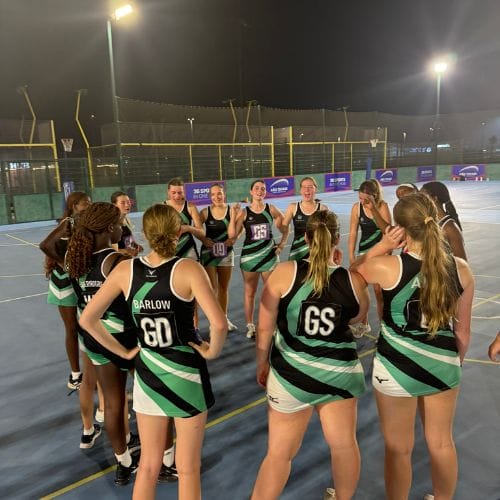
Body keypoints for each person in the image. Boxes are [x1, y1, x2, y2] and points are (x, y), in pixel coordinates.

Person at [79, 203, 228, 500]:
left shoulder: (125, 269)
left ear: (144, 234)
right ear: (178, 232)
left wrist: (123, 352)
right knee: (188, 469)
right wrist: (211, 352)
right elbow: (220, 324)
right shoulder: (189, 269)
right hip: (186, 373)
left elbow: (87, 320)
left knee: (148, 466)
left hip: (148, 374)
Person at [350, 192, 474, 500]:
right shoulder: (460, 269)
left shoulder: (387, 267)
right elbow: (463, 333)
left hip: (396, 367)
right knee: (442, 443)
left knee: (398, 449)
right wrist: (452, 364)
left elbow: (351, 275)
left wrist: (382, 245)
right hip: (443, 364)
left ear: (401, 228)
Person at [251, 210, 369, 500]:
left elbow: (264, 328)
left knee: (279, 455)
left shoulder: (283, 273)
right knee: (344, 446)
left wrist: (262, 363)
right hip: (339, 375)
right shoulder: (353, 281)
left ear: (305, 238)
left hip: (291, 376)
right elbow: (357, 320)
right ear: (337, 239)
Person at [65, 202, 141, 485]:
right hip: (123, 336)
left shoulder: (76, 259)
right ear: (110, 228)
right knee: (148, 396)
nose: (123, 228)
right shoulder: (117, 261)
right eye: (120, 224)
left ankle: (123, 462)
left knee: (112, 403)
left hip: (94, 338)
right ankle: (165, 455)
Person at [43, 191, 91, 390]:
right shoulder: (67, 224)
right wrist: (64, 264)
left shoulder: (83, 224)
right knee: (72, 328)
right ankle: (75, 375)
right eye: (85, 203)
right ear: (74, 205)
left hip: (79, 281)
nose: (89, 206)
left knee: (87, 327)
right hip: (64, 283)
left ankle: (91, 373)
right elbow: (45, 245)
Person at [228, 179, 288, 339]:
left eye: (263, 188)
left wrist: (282, 244)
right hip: (250, 258)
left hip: (269, 257)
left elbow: (285, 227)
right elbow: (232, 236)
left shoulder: (271, 209)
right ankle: (250, 326)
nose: (260, 191)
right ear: (251, 192)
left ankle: (272, 324)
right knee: (250, 293)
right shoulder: (244, 213)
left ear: (265, 192)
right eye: (257, 188)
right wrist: (233, 215)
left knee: (272, 293)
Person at [348, 179, 391, 333]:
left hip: (379, 255)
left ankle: (383, 327)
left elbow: (388, 232)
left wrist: (386, 255)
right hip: (363, 255)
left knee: (379, 294)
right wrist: (351, 255)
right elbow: (353, 232)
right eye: (360, 198)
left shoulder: (382, 206)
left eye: (365, 199)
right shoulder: (356, 208)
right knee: (360, 291)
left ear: (374, 196)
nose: (362, 201)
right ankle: (364, 324)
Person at [199, 183, 238, 331]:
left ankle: (224, 318)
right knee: (212, 289)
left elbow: (237, 230)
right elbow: (196, 229)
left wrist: (233, 239)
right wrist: (204, 240)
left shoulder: (231, 211)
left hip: (226, 253)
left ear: (224, 194)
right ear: (210, 196)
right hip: (209, 254)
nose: (217, 196)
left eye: (219, 193)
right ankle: (213, 322)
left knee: (223, 288)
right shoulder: (205, 212)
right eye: (213, 194)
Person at [281, 176, 328, 261]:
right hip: (297, 251)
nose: (307, 190)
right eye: (304, 187)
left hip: (317, 251)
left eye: (310, 187)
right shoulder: (293, 207)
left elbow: (327, 233)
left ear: (315, 189)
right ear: (300, 190)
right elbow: (283, 228)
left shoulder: (323, 209)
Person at [421, 181, 467, 260]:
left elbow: (462, 262)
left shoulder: (450, 227)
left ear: (434, 199)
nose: (419, 200)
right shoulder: (429, 221)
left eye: (422, 197)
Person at [111, 191, 144, 257]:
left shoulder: (125, 220)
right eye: (123, 203)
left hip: (126, 259)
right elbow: (111, 250)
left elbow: (127, 240)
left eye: (128, 202)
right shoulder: (112, 224)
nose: (127, 205)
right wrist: (126, 251)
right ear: (114, 205)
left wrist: (135, 245)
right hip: (117, 261)